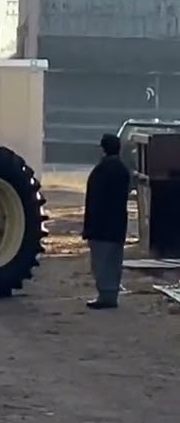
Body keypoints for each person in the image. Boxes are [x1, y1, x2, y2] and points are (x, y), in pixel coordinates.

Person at [82, 133, 132, 310]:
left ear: (103, 149)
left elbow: (94, 200)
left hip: (101, 226)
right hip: (117, 225)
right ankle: (111, 294)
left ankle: (105, 296)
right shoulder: (123, 170)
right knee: (114, 261)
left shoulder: (101, 170)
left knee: (101, 262)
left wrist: (88, 228)